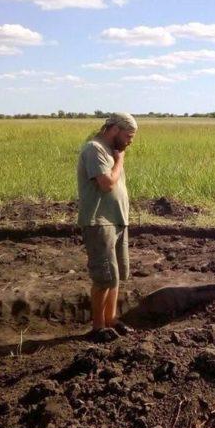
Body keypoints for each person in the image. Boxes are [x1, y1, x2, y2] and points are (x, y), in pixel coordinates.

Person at [77, 112, 138, 343]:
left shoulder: (110, 151)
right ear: (114, 129)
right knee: (104, 276)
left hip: (117, 220)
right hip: (99, 221)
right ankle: (98, 326)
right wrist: (120, 160)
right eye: (128, 135)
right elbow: (106, 184)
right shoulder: (95, 149)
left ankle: (111, 319)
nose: (130, 140)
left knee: (117, 275)